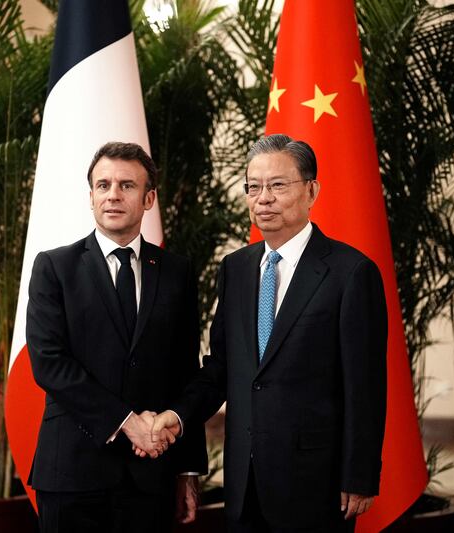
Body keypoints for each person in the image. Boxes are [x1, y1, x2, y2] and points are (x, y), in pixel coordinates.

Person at [149, 134, 388, 532]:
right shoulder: (237, 269)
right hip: (245, 480)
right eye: (254, 187)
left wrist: (359, 475)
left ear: (311, 191)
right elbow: (222, 367)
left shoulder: (351, 273)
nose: (264, 198)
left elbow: (365, 387)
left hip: (316, 483)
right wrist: (178, 414)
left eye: (278, 185)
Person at [26, 142, 207, 533]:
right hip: (72, 473)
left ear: (149, 198)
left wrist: (188, 469)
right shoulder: (55, 267)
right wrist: (127, 422)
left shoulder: (176, 272)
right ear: (90, 195)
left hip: (150, 478)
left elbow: (185, 372)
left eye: (126, 185)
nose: (112, 194)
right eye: (103, 184)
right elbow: (49, 364)